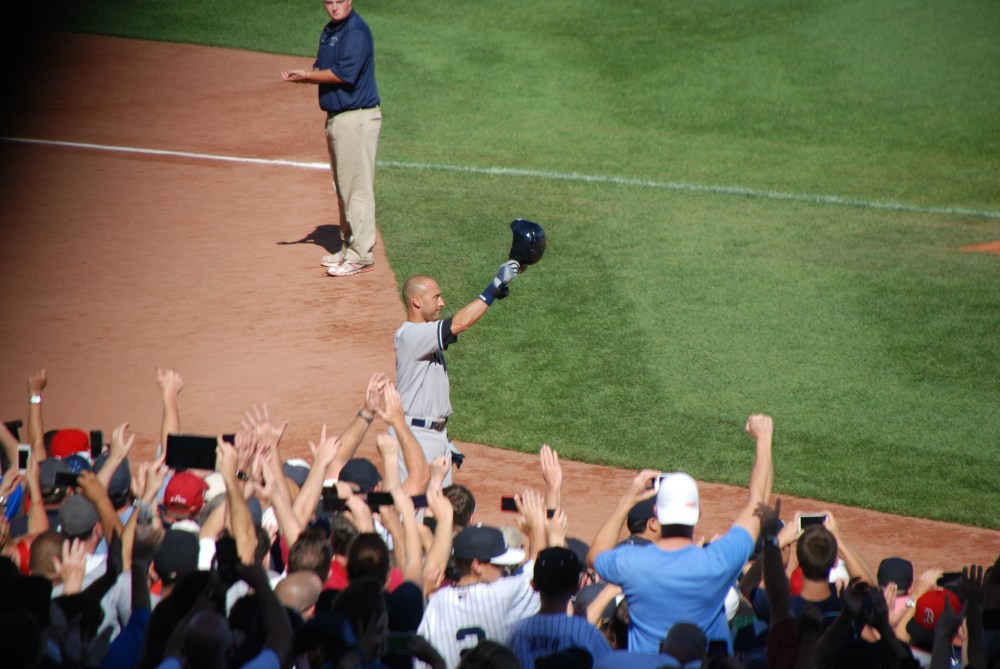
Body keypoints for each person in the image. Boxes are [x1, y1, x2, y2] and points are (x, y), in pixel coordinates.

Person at [586, 414, 775, 653]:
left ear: (657, 512)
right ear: (698, 513)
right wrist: (764, 438)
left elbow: (595, 555)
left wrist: (627, 500)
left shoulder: (633, 564)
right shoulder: (719, 560)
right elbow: (759, 504)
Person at [393, 262, 520, 486]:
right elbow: (460, 324)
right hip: (415, 438)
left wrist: (442, 439)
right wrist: (494, 287)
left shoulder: (423, 338)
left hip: (435, 436)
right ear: (417, 301)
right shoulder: (410, 336)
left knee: (442, 512)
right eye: (436, 297)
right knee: (413, 511)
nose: (442, 302)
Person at [281, 0, 382, 277]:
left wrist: (306, 75)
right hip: (338, 118)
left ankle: (361, 255)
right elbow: (321, 69)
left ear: (349, 1)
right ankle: (350, 246)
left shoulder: (356, 32)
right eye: (329, 2)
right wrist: (305, 76)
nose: (334, 7)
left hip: (356, 119)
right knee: (343, 186)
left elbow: (344, 74)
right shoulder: (330, 32)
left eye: (339, 1)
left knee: (357, 189)